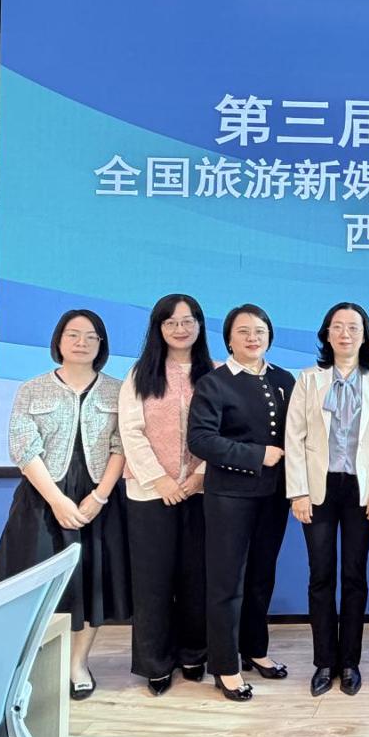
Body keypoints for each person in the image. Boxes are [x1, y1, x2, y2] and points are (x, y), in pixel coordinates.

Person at [0, 309, 131, 700]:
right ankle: (29, 665)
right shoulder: (32, 388)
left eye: (91, 336)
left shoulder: (118, 390)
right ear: (58, 340)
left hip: (98, 499)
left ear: (101, 344)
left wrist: (99, 496)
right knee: (33, 582)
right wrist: (56, 500)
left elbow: (122, 445)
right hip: (42, 499)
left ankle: (77, 664)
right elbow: (24, 447)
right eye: (73, 334)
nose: (81, 342)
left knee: (92, 583)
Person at [285, 302, 369, 698]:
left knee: (354, 576)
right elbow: (294, 438)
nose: (345, 334)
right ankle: (324, 662)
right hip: (319, 488)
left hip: (361, 490)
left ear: (365, 336)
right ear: (326, 334)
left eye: (353, 327)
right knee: (320, 576)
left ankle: (349, 661)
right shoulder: (308, 379)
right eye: (338, 327)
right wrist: (298, 491)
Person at [187, 304, 295, 702]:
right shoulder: (214, 383)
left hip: (274, 496)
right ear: (229, 339)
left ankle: (255, 649)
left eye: (260, 330)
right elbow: (200, 440)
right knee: (226, 582)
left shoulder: (283, 379)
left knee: (261, 577)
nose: (253, 337)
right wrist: (257, 455)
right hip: (229, 497)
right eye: (243, 331)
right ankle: (225, 666)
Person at [119, 294, 214, 696]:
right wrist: (160, 480)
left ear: (199, 326)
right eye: (171, 322)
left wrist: (199, 476)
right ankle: (156, 663)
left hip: (201, 491)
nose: (180, 328)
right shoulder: (141, 373)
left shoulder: (214, 373)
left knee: (197, 578)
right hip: (149, 492)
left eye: (188, 321)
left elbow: (225, 431)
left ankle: (194, 654)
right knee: (153, 581)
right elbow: (130, 430)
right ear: (158, 328)